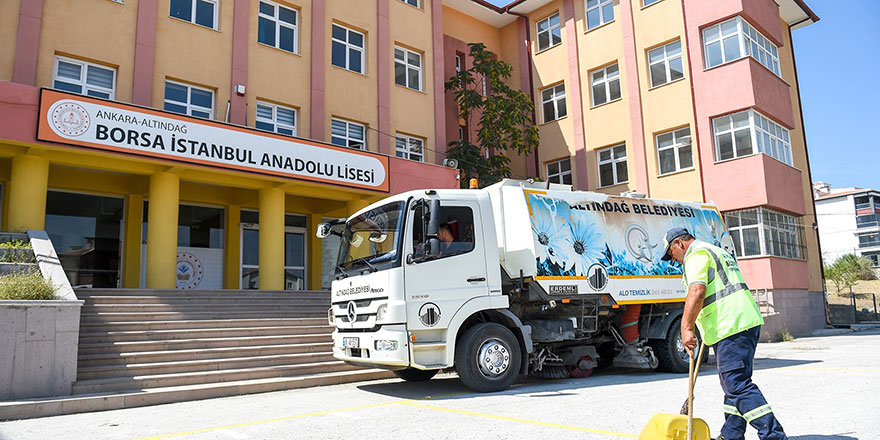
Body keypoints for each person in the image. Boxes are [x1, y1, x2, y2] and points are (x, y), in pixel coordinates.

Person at [661, 227, 787, 440]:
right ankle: (731, 435)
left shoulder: (696, 256)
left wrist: (686, 328)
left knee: (736, 386)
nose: (676, 262)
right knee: (735, 384)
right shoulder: (716, 251)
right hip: (742, 323)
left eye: (672, 256)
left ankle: (774, 436)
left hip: (730, 325)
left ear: (679, 244)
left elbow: (697, 291)